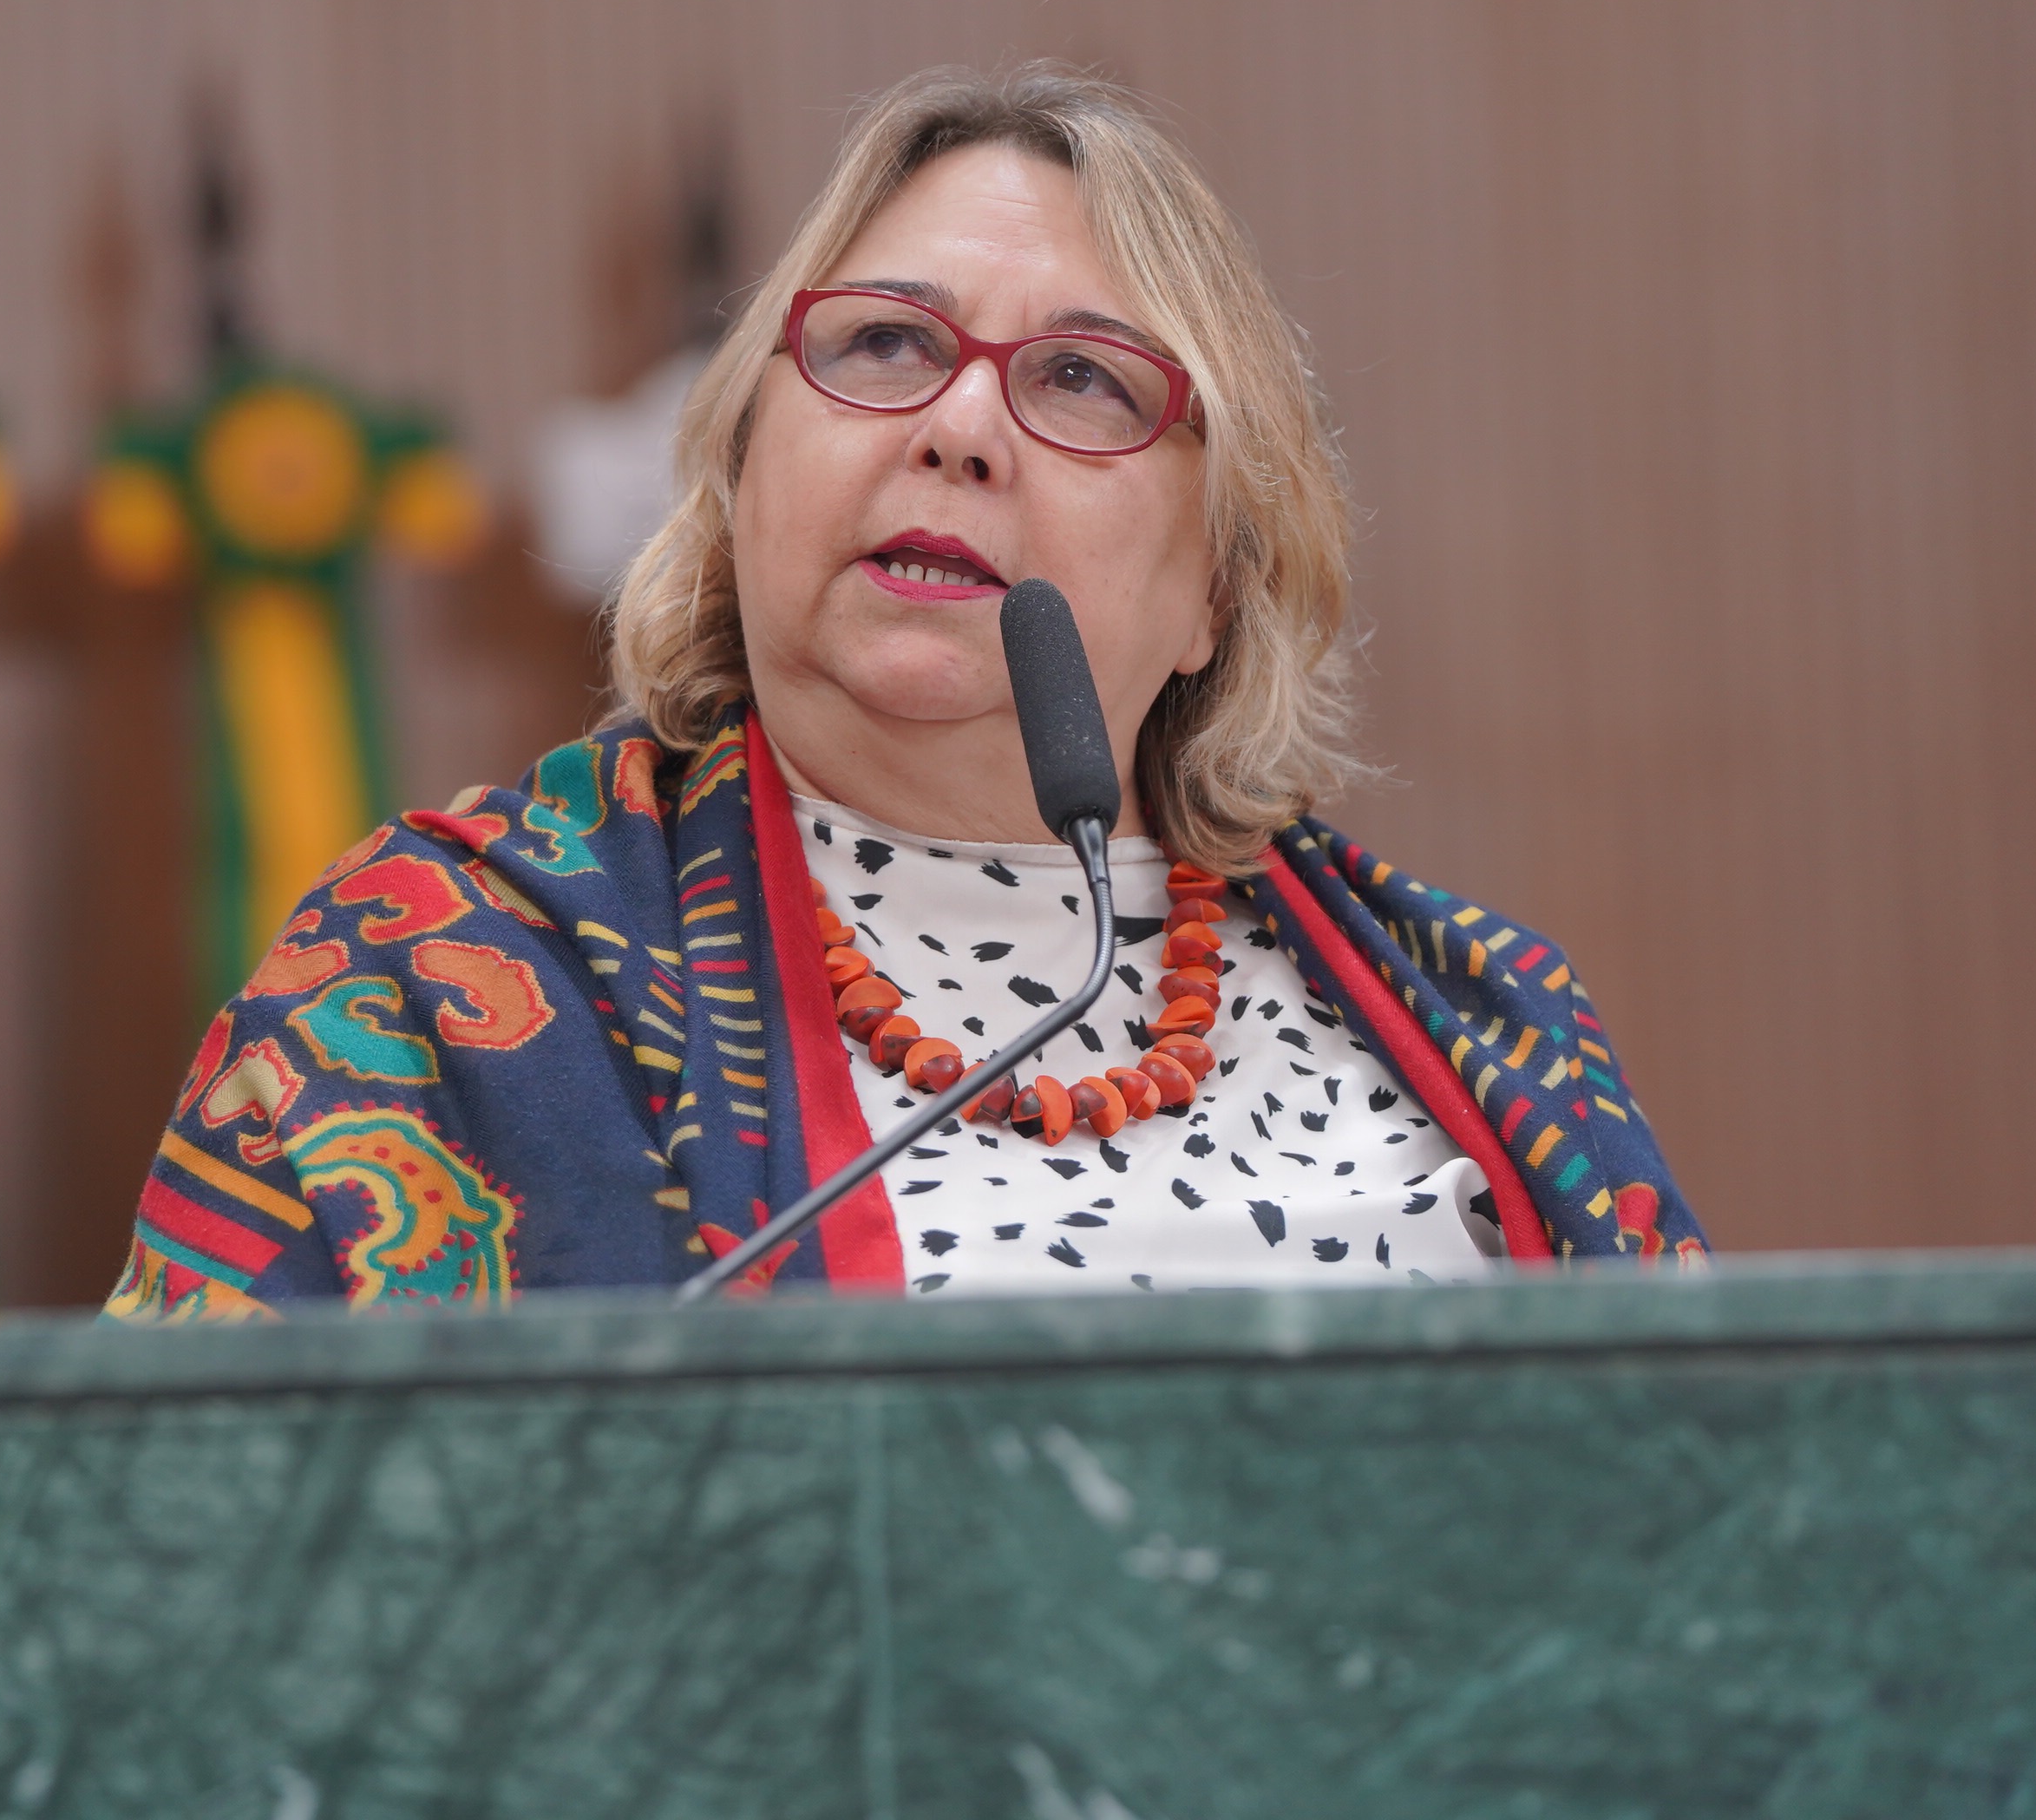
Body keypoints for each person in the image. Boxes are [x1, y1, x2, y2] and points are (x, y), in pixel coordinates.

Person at [108, 64, 1705, 1314]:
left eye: (1081, 378)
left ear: (1218, 584)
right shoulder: (430, 975)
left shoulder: (1495, 1026)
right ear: (742, 467)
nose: (958, 429)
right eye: (883, 346)